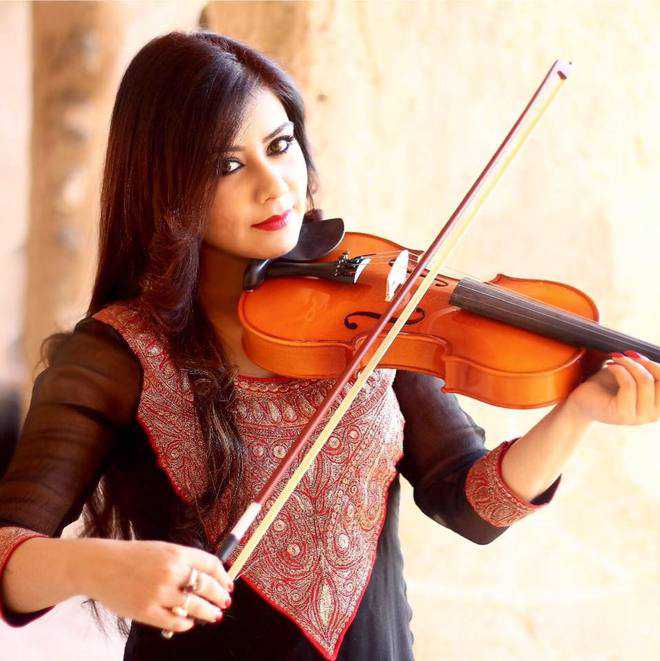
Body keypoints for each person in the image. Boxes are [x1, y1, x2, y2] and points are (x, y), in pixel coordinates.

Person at [0, 30, 657, 661]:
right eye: (229, 165)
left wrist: (578, 411)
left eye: (280, 145)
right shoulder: (117, 353)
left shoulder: (377, 308)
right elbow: (9, 555)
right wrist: (97, 566)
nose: (274, 183)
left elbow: (471, 502)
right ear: (164, 187)